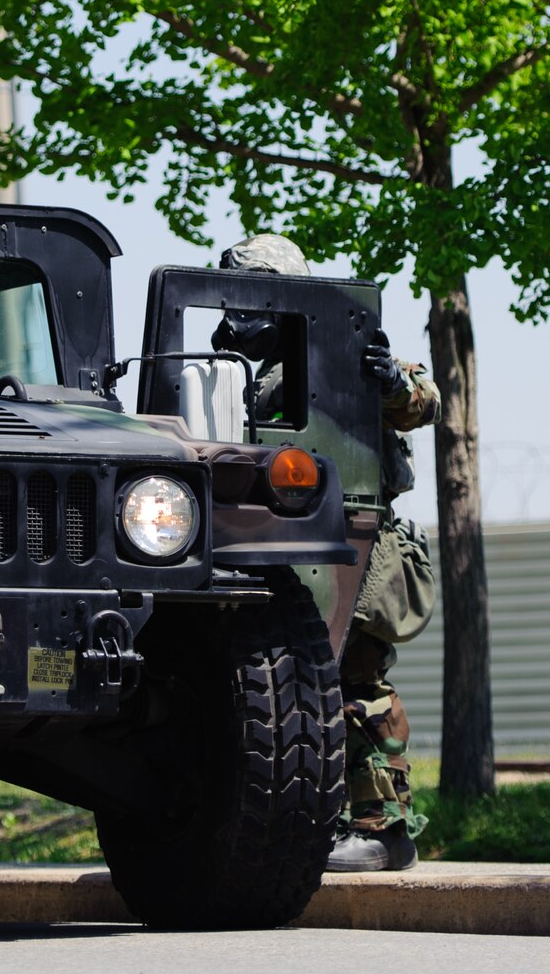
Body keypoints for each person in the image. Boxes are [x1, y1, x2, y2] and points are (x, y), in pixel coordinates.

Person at [212, 234, 440, 874]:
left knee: (353, 683)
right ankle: (324, 822)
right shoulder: (241, 370)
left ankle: (384, 830)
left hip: (356, 547)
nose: (241, 316)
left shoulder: (341, 351)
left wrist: (391, 377)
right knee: (293, 692)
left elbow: (420, 403)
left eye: (256, 297)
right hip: (279, 545)